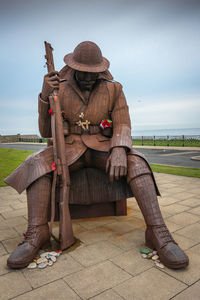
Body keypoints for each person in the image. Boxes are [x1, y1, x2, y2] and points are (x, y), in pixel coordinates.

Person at [5, 41, 189, 269]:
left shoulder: (115, 88)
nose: (89, 78)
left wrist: (120, 149)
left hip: (102, 147)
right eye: (84, 73)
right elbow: (44, 132)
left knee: (138, 163)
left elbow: (123, 123)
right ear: (73, 68)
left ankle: (157, 231)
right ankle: (37, 232)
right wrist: (45, 95)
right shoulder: (56, 87)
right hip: (69, 148)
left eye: (94, 73)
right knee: (35, 164)